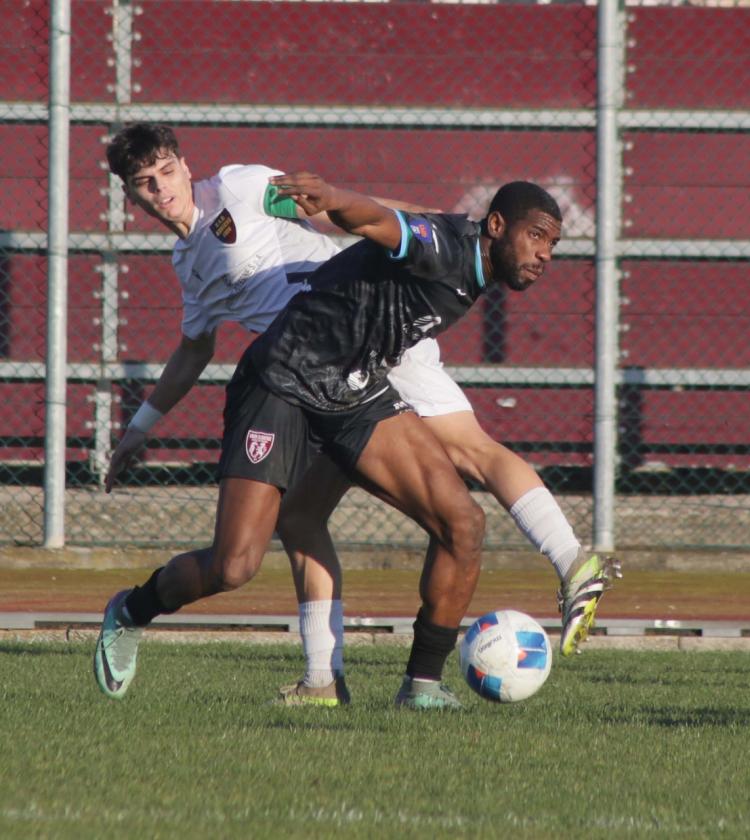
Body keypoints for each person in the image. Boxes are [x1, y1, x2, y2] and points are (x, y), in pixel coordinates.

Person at [100, 125, 617, 707]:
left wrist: (416, 220)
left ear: (184, 164)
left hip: (363, 355)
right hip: (284, 374)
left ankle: (421, 680)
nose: (161, 189)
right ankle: (142, 612)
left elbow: (337, 210)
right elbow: (194, 350)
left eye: (167, 172)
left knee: (462, 510)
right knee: (240, 562)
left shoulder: (237, 189)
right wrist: (140, 428)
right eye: (145, 183)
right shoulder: (190, 261)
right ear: (131, 194)